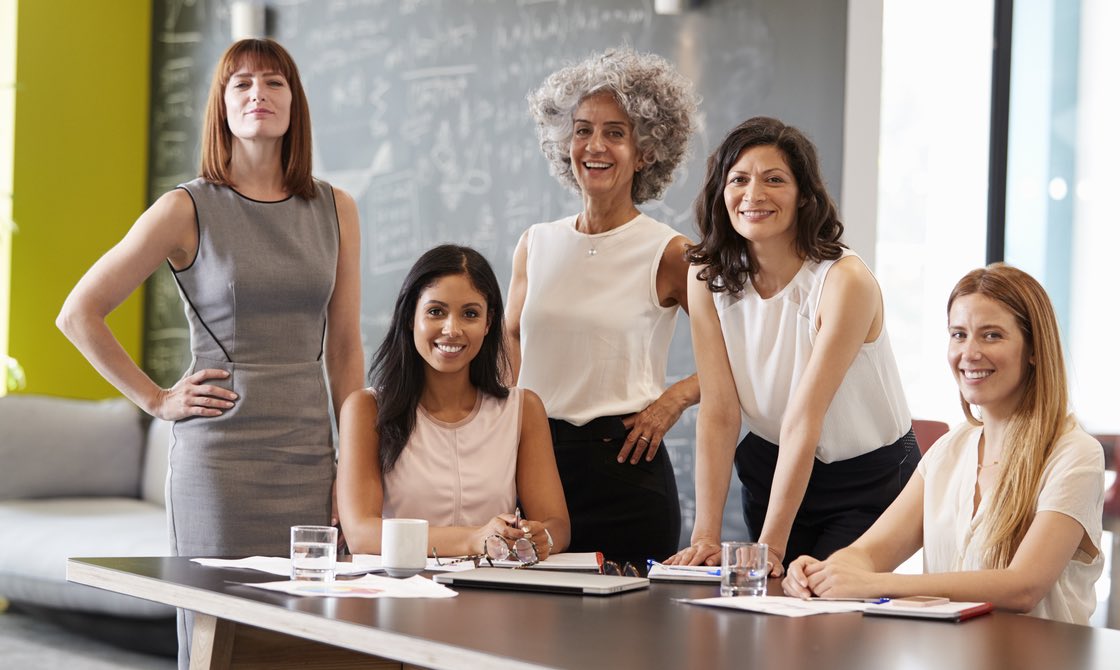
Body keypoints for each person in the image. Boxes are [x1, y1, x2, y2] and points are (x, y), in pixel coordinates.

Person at [56, 38, 363, 665]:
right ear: (221, 106)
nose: (259, 94)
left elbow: (346, 348)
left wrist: (354, 467)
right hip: (218, 464)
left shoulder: (337, 208)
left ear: (294, 103)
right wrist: (156, 399)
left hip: (309, 458)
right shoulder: (184, 208)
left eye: (274, 83)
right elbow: (78, 312)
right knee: (217, 639)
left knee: (306, 641)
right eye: (241, 84)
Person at [782, 264, 1105, 625]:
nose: (969, 352)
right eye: (958, 334)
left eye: (992, 335)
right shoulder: (948, 452)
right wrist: (823, 571)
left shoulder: (1075, 455)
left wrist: (875, 584)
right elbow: (866, 554)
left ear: (1033, 348)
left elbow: (1023, 587)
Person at [668, 117, 919, 575]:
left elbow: (806, 418)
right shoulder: (707, 276)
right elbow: (721, 411)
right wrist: (705, 535)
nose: (753, 194)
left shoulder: (845, 281)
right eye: (739, 179)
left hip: (867, 479)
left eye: (774, 180)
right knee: (770, 615)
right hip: (771, 465)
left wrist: (772, 549)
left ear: (804, 195)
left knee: (823, 606)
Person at [504, 48, 699, 563]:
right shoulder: (535, 242)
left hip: (626, 472)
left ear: (647, 150)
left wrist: (673, 400)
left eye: (616, 132)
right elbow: (510, 339)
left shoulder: (671, 251)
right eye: (583, 129)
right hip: (534, 468)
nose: (595, 145)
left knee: (627, 640)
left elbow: (738, 354)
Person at [337, 245, 569, 561]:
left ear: (488, 324)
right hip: (400, 595)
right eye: (436, 311)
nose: (452, 329)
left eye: (470, 314)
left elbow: (557, 525)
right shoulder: (365, 409)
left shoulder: (522, 409)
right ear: (410, 317)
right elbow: (361, 534)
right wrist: (473, 539)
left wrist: (540, 538)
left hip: (494, 595)